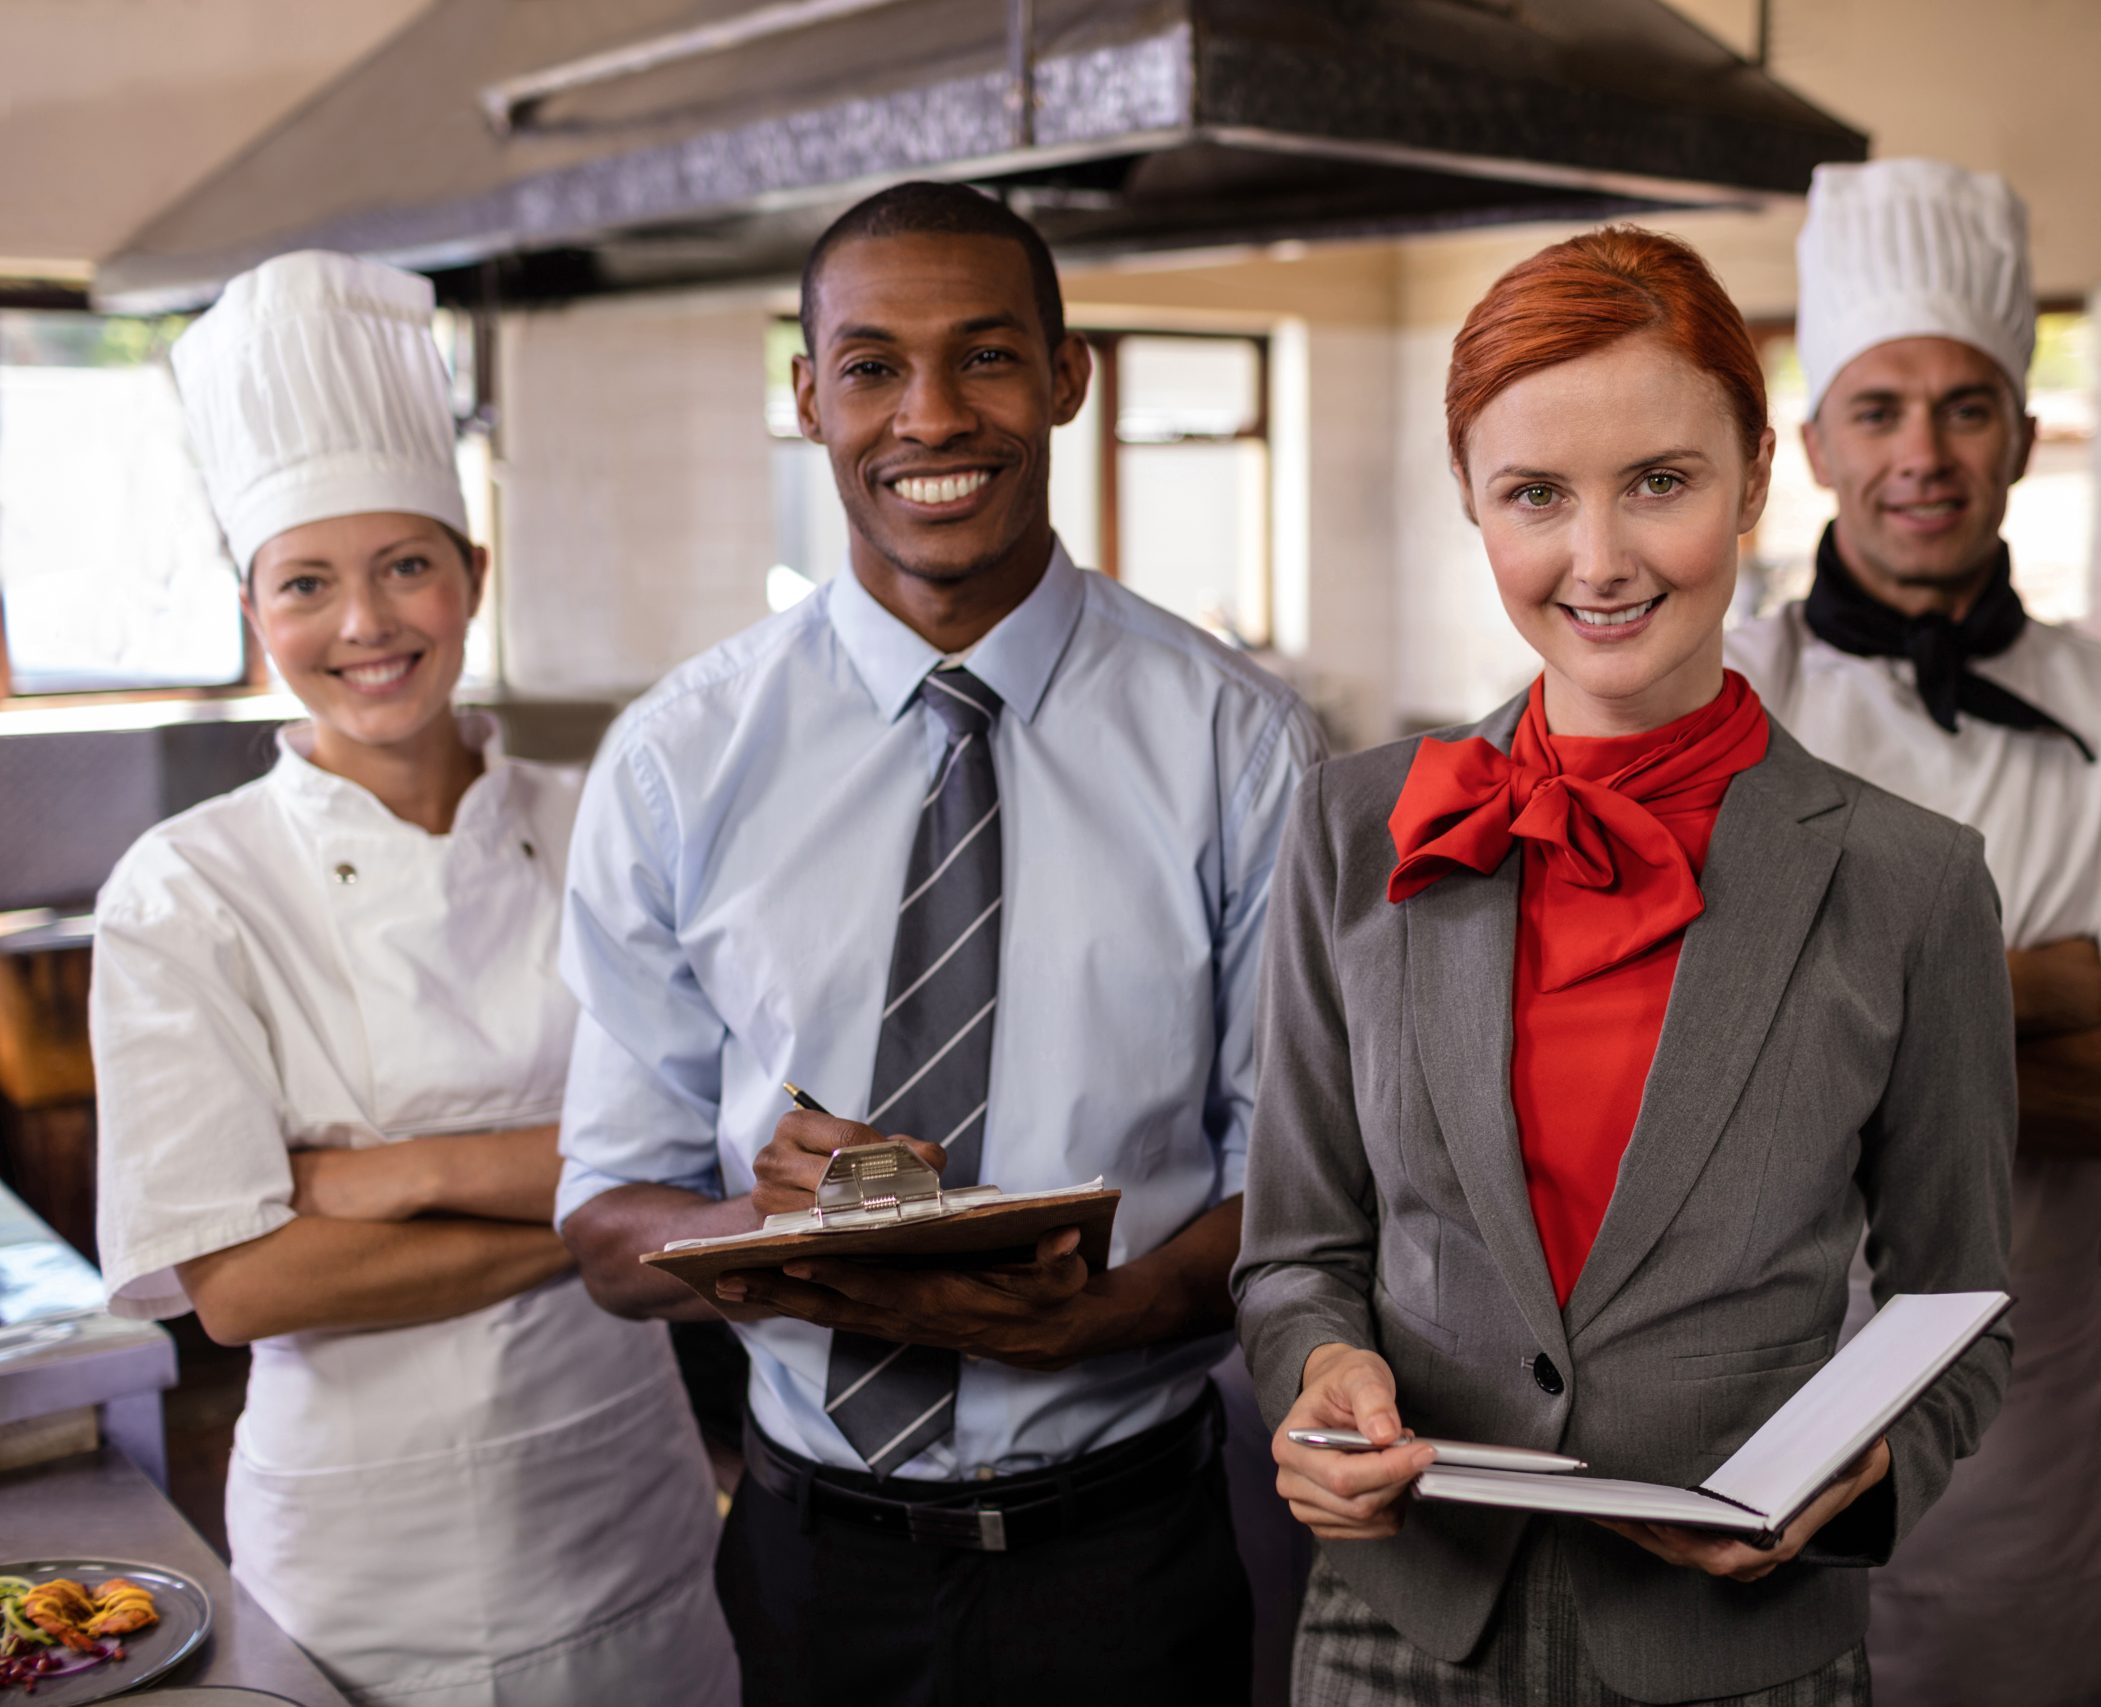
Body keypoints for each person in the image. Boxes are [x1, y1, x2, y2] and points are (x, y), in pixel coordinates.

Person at [550, 181, 1325, 1707]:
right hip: (813, 1563)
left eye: (984, 357)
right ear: (809, 396)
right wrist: (768, 1249)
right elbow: (603, 1225)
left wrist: (1103, 1317)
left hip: (1129, 1561)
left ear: (1066, 377)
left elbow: (1299, 1184)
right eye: (870, 366)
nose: (929, 416)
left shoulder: (1241, 746)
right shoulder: (679, 758)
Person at [1233, 225, 2017, 1707]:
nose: (1598, 561)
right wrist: (1319, 1379)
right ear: (1471, 499)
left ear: (1754, 481)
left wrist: (1859, 1477)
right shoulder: (1352, 827)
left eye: (1661, 482)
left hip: (1738, 1653)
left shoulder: (1913, 885)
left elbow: (1959, 1313)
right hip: (1401, 1626)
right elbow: (1295, 1256)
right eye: (1536, 495)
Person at [89, 251, 736, 1707]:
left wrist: (386, 1176)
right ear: (255, 606)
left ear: (471, 574)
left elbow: (718, 1139)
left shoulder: (607, 822)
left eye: (405, 566)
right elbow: (246, 1289)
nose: (366, 625)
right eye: (306, 583)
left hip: (629, 1509)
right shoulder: (187, 890)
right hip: (362, 1560)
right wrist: (621, 1227)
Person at [1723, 158, 2101, 1707]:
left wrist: (1814, 1022)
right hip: (1718, 1371)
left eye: (1967, 408)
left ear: (2026, 439)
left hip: (2015, 1393)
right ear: (1817, 440)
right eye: (1881, 408)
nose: (1924, 453)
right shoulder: (1710, 695)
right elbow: (1638, 1045)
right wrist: (2041, 987)